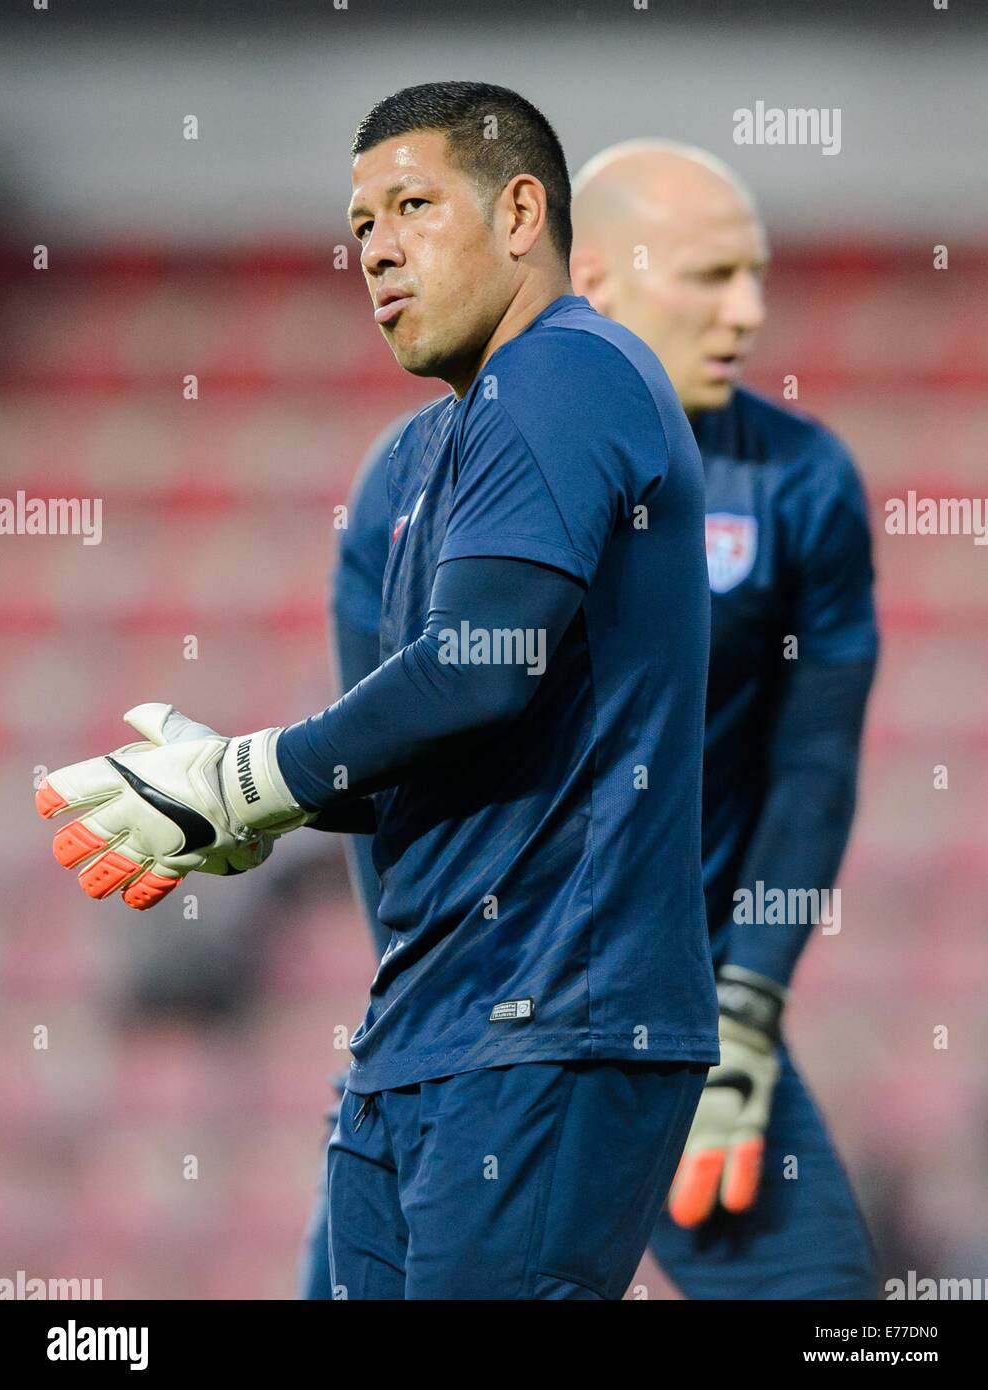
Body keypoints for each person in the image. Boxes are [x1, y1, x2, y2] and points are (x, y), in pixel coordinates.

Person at [37, 87, 718, 1301]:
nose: (379, 251)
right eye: (360, 228)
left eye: (413, 206)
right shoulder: (421, 454)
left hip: (554, 1011)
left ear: (522, 212)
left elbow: (479, 672)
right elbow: (456, 740)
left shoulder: (568, 372)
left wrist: (249, 780)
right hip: (426, 1030)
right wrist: (259, 801)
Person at [316, 138, 879, 1300]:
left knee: (828, 1306)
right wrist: (435, 1011)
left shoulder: (799, 479)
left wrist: (749, 1010)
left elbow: (811, 765)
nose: (751, 311)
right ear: (603, 288)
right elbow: (398, 788)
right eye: (713, 276)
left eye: (757, 274)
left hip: (680, 996)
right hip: (485, 1004)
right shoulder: (411, 480)